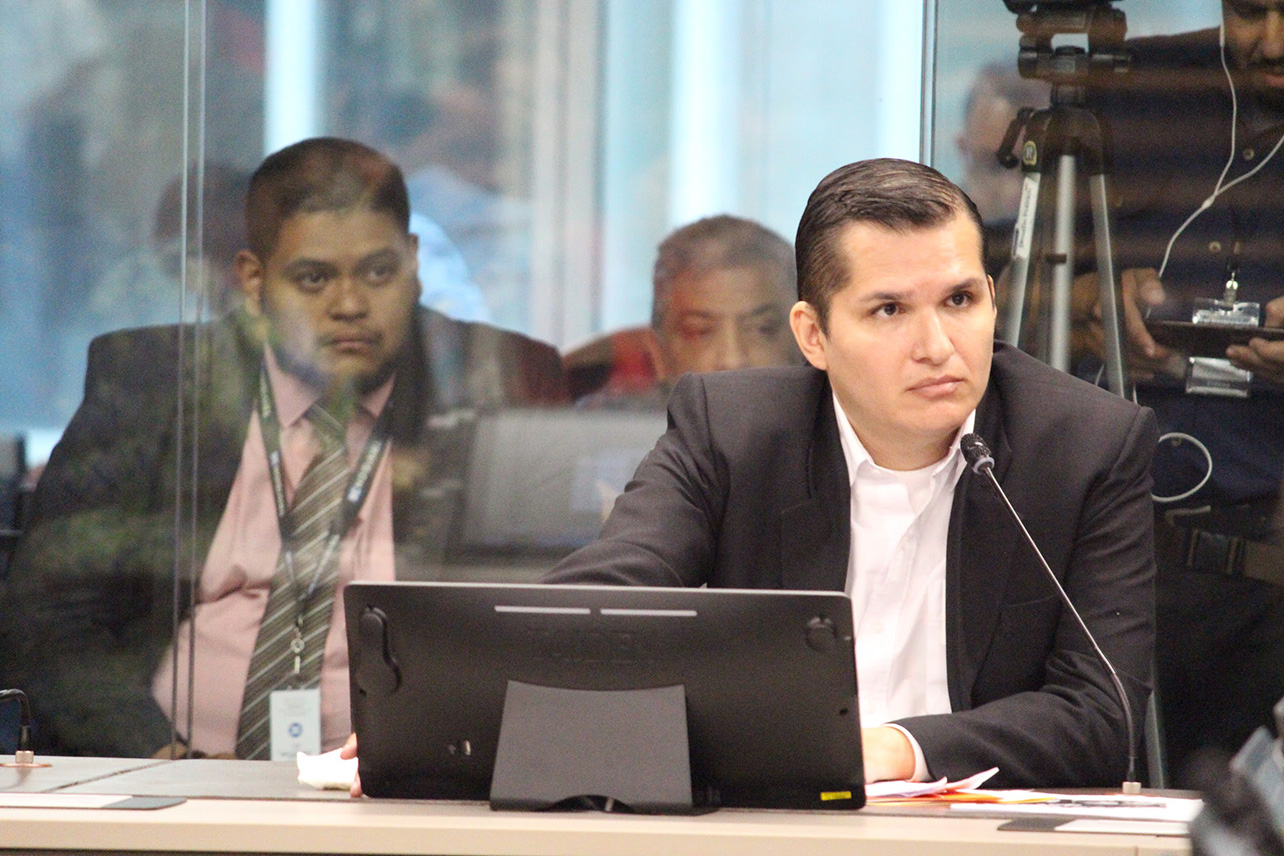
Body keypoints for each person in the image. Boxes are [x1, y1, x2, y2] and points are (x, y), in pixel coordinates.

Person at [546, 158, 1157, 787]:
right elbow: (596, 608)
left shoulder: (1085, 449)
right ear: (813, 335)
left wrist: (891, 750)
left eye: (959, 300)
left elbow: (1100, 716)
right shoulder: (732, 433)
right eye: (889, 310)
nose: (938, 345)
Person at [0, 137, 567, 759]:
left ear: (413, 262)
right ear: (253, 280)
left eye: (379, 272)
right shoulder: (154, 383)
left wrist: (419, 760)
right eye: (314, 278)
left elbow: (539, 626)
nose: (349, 305)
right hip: (170, 781)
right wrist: (157, 757)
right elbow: (50, 618)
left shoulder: (491, 382)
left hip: (399, 788)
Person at [1073, 0, 1284, 785]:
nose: (1272, 41)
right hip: (1108, 555)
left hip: (1266, 569)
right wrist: (1085, 297)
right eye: (1250, 10)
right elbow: (992, 284)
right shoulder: (1139, 90)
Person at [566, 215, 801, 406]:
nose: (732, 360)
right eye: (699, 332)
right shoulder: (603, 443)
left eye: (761, 329)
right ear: (659, 355)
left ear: (805, 340)